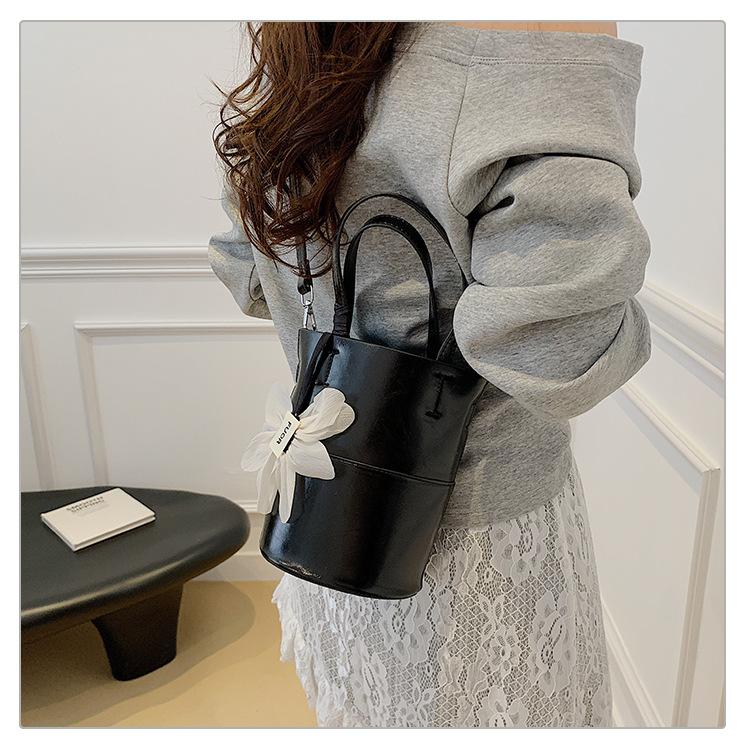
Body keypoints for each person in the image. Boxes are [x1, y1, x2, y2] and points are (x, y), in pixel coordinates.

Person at [208, 20, 651, 727]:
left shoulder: (308, 46)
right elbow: (566, 353)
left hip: (325, 509)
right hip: (472, 555)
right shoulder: (523, 31)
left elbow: (247, 271)